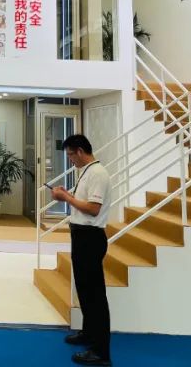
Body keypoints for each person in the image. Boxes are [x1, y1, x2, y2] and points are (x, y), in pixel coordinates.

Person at [51, 134, 113, 366]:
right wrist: (67, 195)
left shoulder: (97, 173)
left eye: (70, 155)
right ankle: (89, 333)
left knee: (95, 295)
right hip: (81, 236)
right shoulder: (86, 172)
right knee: (85, 290)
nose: (70, 160)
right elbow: (84, 202)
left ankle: (101, 352)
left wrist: (66, 198)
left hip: (90, 237)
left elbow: (93, 209)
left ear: (79, 151)